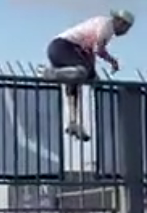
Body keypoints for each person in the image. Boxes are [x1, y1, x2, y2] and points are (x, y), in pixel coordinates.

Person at [42, 10, 135, 140]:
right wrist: (112, 61)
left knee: (78, 81)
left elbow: (90, 54)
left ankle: (73, 121)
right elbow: (99, 50)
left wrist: (93, 75)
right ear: (120, 22)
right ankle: (50, 74)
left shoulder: (100, 26)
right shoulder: (107, 27)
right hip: (63, 47)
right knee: (81, 72)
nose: (126, 32)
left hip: (60, 48)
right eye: (126, 28)